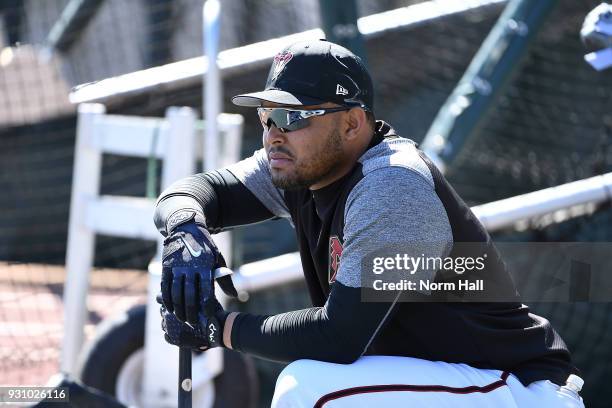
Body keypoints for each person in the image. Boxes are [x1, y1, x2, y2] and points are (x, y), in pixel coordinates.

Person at [154, 39, 583, 407]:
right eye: (266, 117)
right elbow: (202, 190)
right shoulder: (301, 165)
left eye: (292, 116)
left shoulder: (393, 183)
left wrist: (221, 328)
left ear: (352, 123)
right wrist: (184, 228)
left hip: (513, 389)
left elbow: (338, 338)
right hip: (439, 385)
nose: (272, 134)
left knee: (307, 389)